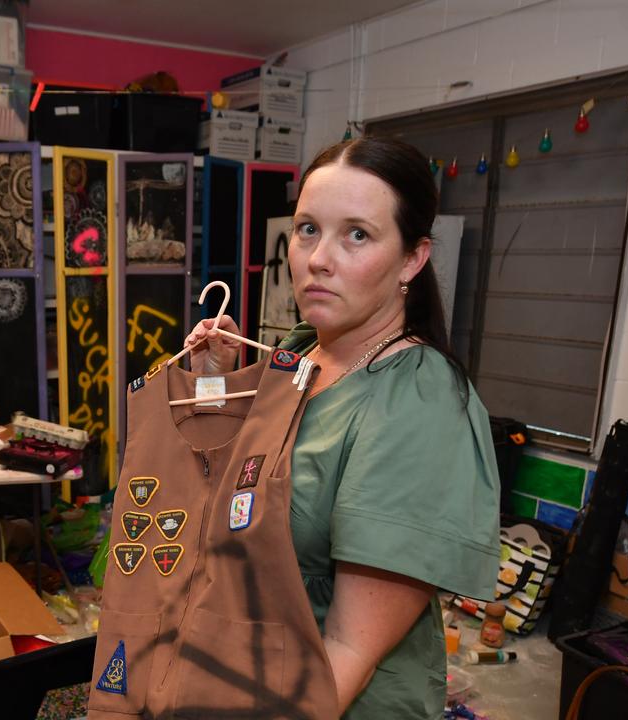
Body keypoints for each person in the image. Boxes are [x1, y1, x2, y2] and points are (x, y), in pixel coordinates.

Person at [183, 137, 501, 718]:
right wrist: (215, 385)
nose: (318, 259)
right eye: (308, 229)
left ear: (412, 258)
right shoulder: (301, 351)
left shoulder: (416, 401)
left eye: (357, 234)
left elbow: (350, 648)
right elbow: (233, 486)